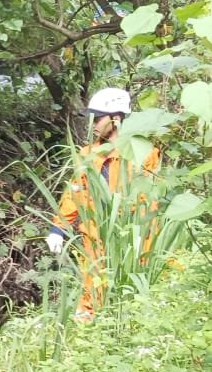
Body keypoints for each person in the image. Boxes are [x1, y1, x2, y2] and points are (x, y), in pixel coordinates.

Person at [45, 87, 162, 319]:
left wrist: (131, 232)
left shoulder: (143, 153)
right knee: (92, 284)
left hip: (130, 234)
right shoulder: (89, 153)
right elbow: (75, 191)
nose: (94, 124)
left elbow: (146, 201)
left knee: (130, 286)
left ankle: (127, 325)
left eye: (98, 119)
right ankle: (86, 331)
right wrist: (58, 228)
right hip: (95, 232)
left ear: (116, 119)